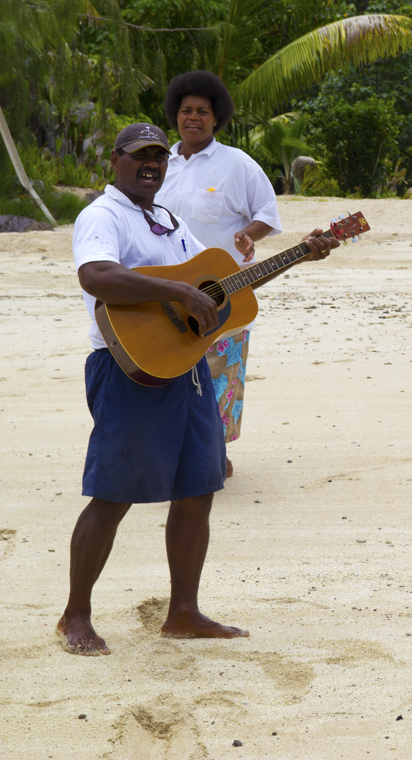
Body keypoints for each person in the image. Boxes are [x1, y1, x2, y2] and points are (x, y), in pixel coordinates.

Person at [60, 123, 340, 655]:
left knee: (197, 489)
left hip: (187, 368)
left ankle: (183, 612)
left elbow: (220, 287)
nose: (152, 165)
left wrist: (301, 252)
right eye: (141, 156)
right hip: (128, 369)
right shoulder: (103, 215)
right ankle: (75, 614)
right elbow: (96, 275)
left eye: (160, 158)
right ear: (115, 161)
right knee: (112, 495)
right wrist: (177, 291)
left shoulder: (168, 220)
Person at [155, 71, 282, 478]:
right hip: (166, 292)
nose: (194, 117)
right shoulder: (159, 164)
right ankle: (171, 451)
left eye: (203, 112)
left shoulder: (237, 164)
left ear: (216, 118)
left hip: (223, 293)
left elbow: (267, 213)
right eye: (186, 110)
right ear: (176, 114)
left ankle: (215, 453)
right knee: (170, 372)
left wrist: (248, 233)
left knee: (220, 375)